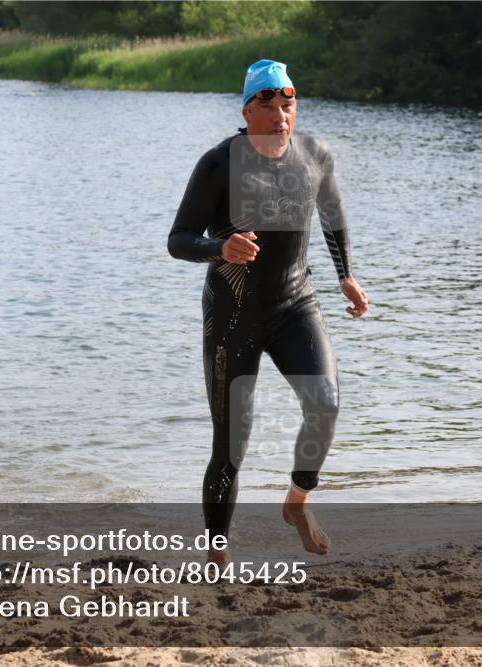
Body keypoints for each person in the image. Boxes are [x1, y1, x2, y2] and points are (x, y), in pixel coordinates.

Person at [168, 59, 369, 570]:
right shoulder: (218, 164)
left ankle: (297, 502)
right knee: (231, 441)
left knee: (325, 404)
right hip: (233, 314)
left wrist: (346, 275)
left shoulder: (314, 156)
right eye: (269, 105)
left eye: (289, 104)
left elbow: (333, 215)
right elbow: (179, 240)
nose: (282, 115)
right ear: (247, 110)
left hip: (295, 302)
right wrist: (218, 247)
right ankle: (217, 552)